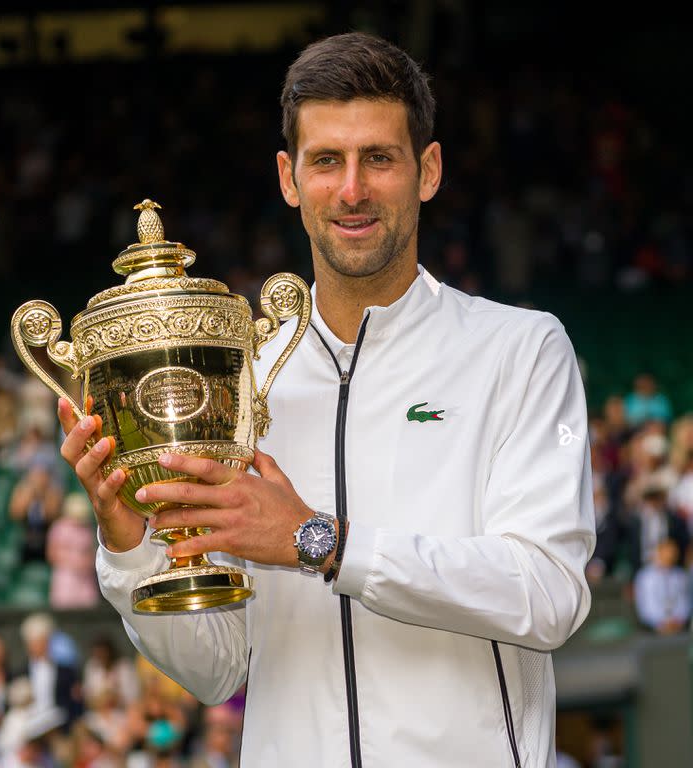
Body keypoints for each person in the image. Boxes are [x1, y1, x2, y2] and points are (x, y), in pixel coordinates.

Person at [58, 32, 595, 768]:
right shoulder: (241, 374)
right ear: (288, 177)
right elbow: (215, 669)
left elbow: (549, 594)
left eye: (379, 157)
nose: (351, 190)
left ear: (427, 170)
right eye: (326, 162)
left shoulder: (521, 350)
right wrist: (129, 543)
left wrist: (322, 541)